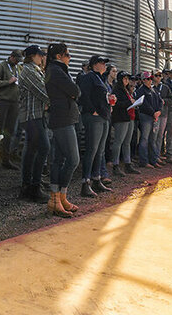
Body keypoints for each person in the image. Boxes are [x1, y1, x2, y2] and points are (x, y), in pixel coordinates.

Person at [44, 42, 80, 218]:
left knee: (58, 160)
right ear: (59, 56)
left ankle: (57, 199)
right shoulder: (57, 70)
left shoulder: (55, 70)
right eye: (68, 54)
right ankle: (59, 197)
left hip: (60, 118)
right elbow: (75, 90)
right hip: (63, 119)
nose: (70, 58)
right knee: (73, 159)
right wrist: (72, 93)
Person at [17, 44, 49, 204]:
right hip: (32, 116)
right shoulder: (29, 71)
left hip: (35, 115)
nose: (42, 57)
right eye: (40, 55)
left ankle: (28, 185)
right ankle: (34, 187)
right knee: (43, 147)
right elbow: (43, 91)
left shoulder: (34, 70)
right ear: (32, 56)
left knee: (31, 150)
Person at [78, 55, 112, 197]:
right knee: (92, 149)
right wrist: (93, 110)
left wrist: (110, 100)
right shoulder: (89, 77)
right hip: (94, 117)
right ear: (94, 65)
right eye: (101, 62)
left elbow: (100, 97)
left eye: (104, 63)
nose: (104, 65)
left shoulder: (101, 79)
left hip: (103, 117)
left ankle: (96, 179)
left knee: (100, 150)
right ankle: (85, 183)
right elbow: (84, 95)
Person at [0, 49, 22, 170]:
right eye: (17, 59)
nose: (18, 62)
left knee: (10, 132)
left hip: (15, 103)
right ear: (11, 57)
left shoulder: (18, 68)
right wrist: (8, 82)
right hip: (3, 102)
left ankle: (6, 159)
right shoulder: (1, 66)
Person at [108, 71, 135, 177]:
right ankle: (116, 165)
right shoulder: (117, 90)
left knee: (127, 142)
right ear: (120, 79)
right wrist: (130, 103)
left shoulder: (126, 90)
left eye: (127, 78)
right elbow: (116, 104)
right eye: (124, 78)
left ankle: (127, 163)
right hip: (120, 118)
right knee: (118, 141)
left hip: (129, 118)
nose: (126, 80)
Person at [134, 72, 162, 168]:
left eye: (151, 78)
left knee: (152, 139)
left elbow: (160, 101)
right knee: (145, 139)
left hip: (154, 116)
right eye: (148, 79)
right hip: (146, 116)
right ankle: (144, 161)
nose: (150, 80)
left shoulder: (154, 90)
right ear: (143, 80)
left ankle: (153, 160)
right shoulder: (141, 91)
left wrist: (159, 111)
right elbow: (144, 104)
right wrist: (153, 113)